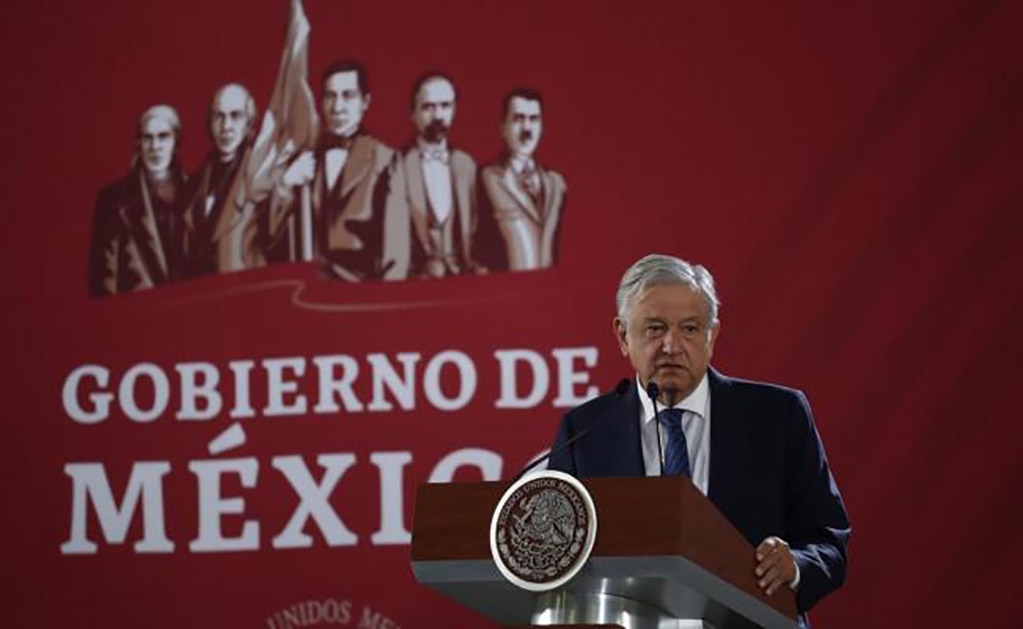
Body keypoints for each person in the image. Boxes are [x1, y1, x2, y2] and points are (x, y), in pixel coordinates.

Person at [547, 254, 850, 627]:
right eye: (655, 329)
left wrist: (797, 566)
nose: (672, 345)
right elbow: (557, 554)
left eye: (689, 329)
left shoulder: (778, 415)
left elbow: (829, 542)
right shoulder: (585, 431)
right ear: (623, 336)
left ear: (712, 336)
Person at [269, 60, 395, 280]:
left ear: (366, 102)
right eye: (330, 96)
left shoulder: (386, 159)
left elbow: (395, 247)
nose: (337, 107)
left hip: (362, 291)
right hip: (309, 291)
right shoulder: (304, 156)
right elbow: (270, 236)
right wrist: (286, 185)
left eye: (348, 96)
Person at [380, 73, 482, 279]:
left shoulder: (467, 165)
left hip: (464, 280)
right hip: (418, 283)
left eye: (445, 106)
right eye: (428, 107)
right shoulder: (399, 167)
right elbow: (394, 243)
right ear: (413, 113)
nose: (438, 115)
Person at [88, 104, 187, 296]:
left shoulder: (196, 192)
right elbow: (104, 284)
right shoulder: (113, 201)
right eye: (147, 138)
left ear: (176, 141)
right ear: (139, 143)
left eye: (163, 137)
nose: (155, 146)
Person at [180, 83, 265, 276]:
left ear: (249, 123)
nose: (226, 126)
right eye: (219, 116)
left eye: (235, 116)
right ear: (209, 122)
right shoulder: (194, 184)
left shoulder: (261, 176)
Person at [478, 88, 566, 272]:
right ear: (503, 127)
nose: (527, 128)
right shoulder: (486, 178)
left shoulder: (556, 184)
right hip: (504, 292)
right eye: (518, 119)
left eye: (534, 119)